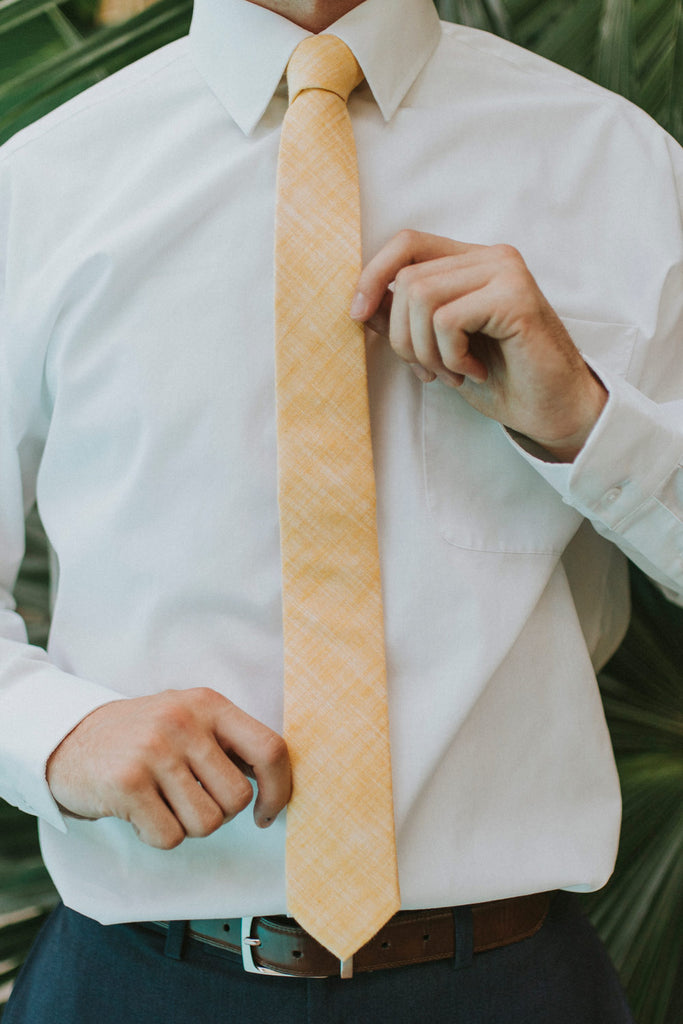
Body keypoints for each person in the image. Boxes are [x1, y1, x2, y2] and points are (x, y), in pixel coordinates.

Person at [0, 0, 681, 1020]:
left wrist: (584, 421)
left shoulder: (612, 161)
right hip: (133, 982)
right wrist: (49, 733)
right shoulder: (39, 184)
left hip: (511, 984)